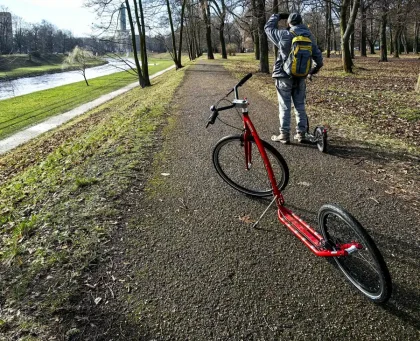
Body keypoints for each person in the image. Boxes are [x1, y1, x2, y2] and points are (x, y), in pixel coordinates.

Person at [264, 12, 323, 144]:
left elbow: (268, 28)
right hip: (301, 76)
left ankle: (284, 135)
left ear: (289, 23)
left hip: (283, 76)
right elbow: (319, 60)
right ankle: (301, 134)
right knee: (300, 105)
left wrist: (277, 16)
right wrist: (313, 70)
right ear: (301, 22)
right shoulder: (309, 36)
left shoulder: (284, 35)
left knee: (285, 106)